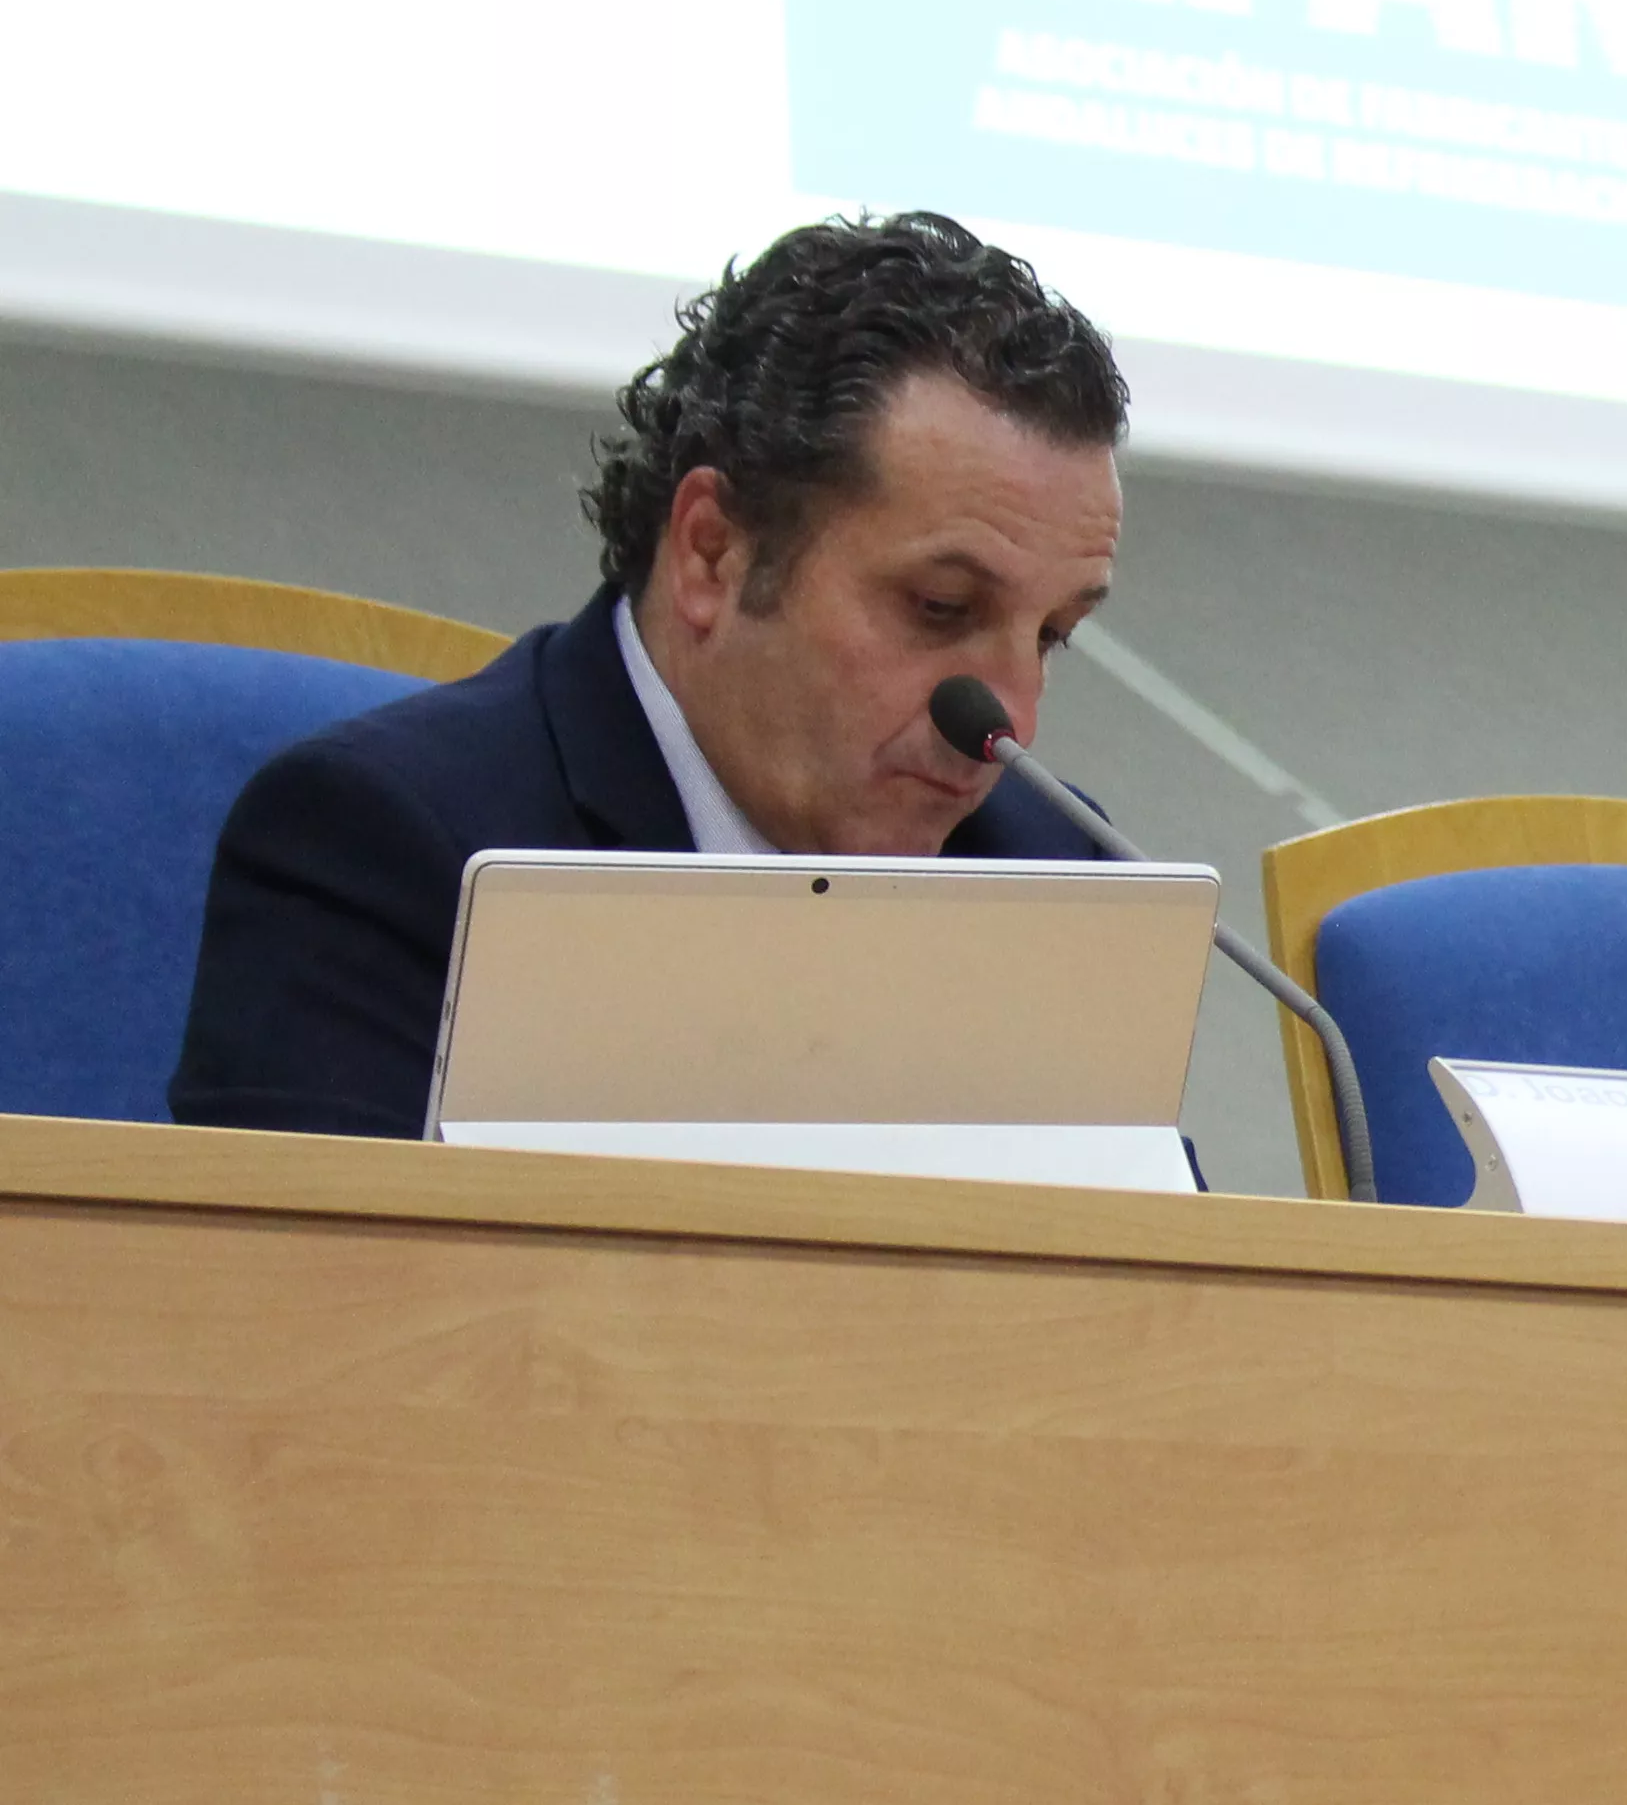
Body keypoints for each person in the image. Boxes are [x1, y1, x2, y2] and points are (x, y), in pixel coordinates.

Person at [169, 214, 1129, 1139]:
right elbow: (313, 1298)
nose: (1009, 721)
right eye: (939, 608)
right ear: (712, 552)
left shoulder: (1047, 876)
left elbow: (1163, 1297)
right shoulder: (390, 850)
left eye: (1052, 635)